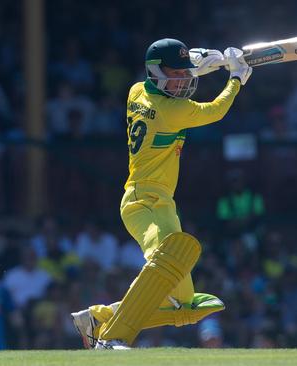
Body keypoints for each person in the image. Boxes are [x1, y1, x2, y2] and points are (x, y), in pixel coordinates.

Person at [70, 38, 252, 349]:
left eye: (185, 73)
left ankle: (98, 318)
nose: (184, 80)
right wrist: (235, 78)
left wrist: (197, 64)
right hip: (145, 202)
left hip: (159, 203)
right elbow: (216, 110)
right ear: (156, 71)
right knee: (165, 260)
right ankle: (111, 339)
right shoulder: (171, 110)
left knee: (187, 308)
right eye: (177, 74)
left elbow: (170, 79)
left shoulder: (136, 91)